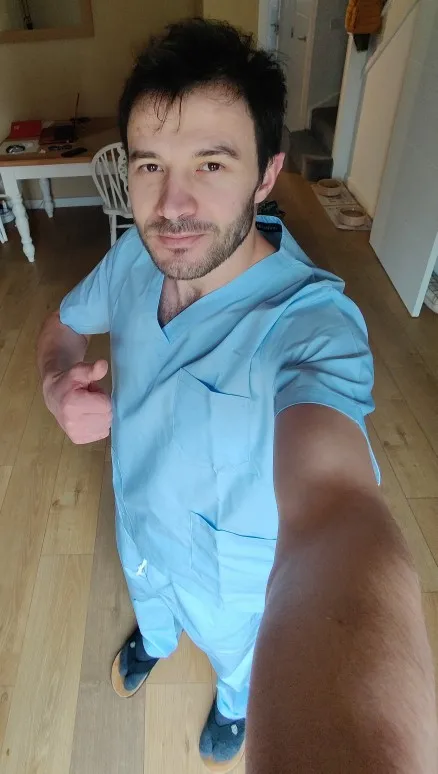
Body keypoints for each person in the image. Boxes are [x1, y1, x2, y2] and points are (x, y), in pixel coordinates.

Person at [37, 18, 436, 773]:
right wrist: (58, 382)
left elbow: (337, 511)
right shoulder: (132, 260)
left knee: (236, 662)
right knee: (153, 610)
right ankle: (155, 640)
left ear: (265, 174)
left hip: (235, 590)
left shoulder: (311, 328)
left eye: (212, 163)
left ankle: (231, 705)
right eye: (150, 165)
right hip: (141, 537)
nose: (172, 205)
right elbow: (61, 325)